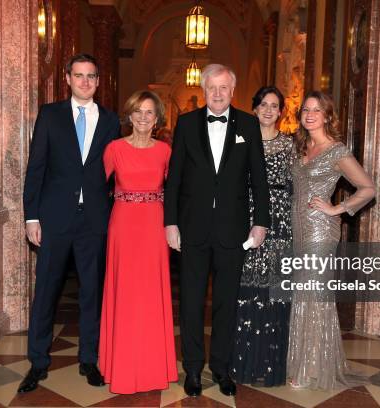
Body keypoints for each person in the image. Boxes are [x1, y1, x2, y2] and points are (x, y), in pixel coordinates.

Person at [164, 64, 270, 397]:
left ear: (232, 91)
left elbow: (259, 180)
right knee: (191, 303)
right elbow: (174, 179)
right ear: (204, 89)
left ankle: (222, 368)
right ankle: (193, 369)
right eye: (213, 88)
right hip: (192, 229)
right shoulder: (185, 123)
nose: (219, 93)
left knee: (227, 303)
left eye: (225, 87)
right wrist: (170, 222)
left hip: (233, 231)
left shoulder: (249, 124)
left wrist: (261, 222)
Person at [20, 53, 121, 393]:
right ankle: (38, 361)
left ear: (97, 80)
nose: (85, 82)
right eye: (78, 75)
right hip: (54, 218)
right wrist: (31, 216)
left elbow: (115, 172)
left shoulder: (110, 120)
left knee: (92, 292)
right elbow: (36, 168)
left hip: (94, 219)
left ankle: (89, 359)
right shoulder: (50, 115)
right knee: (46, 290)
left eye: (91, 76)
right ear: (67, 78)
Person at [287, 91, 375, 389]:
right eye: (305, 110)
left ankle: (311, 368)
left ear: (327, 116)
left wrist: (337, 207)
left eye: (317, 110)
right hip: (297, 228)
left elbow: (367, 188)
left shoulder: (336, 150)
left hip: (319, 230)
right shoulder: (301, 147)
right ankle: (301, 360)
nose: (310, 114)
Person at [98, 90, 178, 394]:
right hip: (123, 225)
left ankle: (153, 366)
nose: (143, 118)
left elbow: (177, 190)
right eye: (138, 112)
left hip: (154, 226)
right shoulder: (114, 149)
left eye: (149, 113)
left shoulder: (165, 152)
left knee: (151, 292)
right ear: (129, 116)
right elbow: (93, 189)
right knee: (125, 291)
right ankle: (120, 365)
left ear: (157, 119)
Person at [231, 86, 293, 387]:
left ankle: (270, 365)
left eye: (275, 105)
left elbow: (299, 186)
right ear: (254, 108)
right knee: (244, 289)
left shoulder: (290, 145)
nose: (269, 110)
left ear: (281, 111)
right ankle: (242, 363)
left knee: (274, 292)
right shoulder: (240, 141)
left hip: (280, 223)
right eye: (263, 104)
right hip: (246, 218)